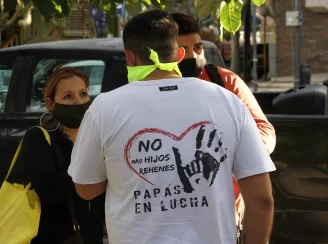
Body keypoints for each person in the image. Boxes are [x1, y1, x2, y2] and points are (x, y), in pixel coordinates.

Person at [68, 9, 275, 244]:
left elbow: (86, 189)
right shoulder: (226, 101)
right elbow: (262, 201)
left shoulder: (103, 109)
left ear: (129, 57)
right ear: (179, 54)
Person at [171, 12, 276, 232]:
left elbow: (265, 131)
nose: (193, 55)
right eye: (183, 50)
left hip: (225, 215)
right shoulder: (151, 89)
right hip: (171, 214)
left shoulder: (225, 81)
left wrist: (235, 152)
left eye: (197, 48)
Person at [15, 67, 105, 244]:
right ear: (50, 104)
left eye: (83, 94)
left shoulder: (98, 135)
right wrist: (89, 164)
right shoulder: (39, 138)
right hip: (57, 237)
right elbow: (50, 193)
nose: (78, 102)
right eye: (68, 96)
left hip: (91, 235)